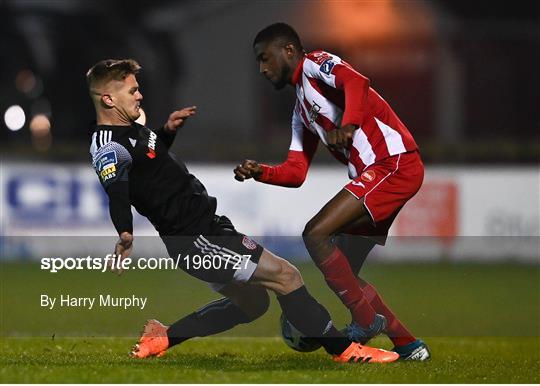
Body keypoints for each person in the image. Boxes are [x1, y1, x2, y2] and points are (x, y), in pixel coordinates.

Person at [86, 58, 399, 363]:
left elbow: (151, 162)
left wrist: (167, 131)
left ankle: (164, 336)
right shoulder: (107, 145)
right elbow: (117, 191)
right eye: (132, 91)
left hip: (206, 229)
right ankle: (347, 352)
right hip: (196, 238)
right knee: (286, 276)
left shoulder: (132, 130)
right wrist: (124, 232)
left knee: (253, 304)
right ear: (109, 99)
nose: (139, 94)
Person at [234, 23, 430, 361]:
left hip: (393, 164)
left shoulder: (315, 62)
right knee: (345, 271)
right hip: (379, 173)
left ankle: (366, 320)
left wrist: (349, 125)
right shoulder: (301, 112)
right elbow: (296, 172)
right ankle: (407, 344)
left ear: (289, 51)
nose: (262, 70)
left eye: (265, 59)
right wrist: (260, 172)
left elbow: (356, 81)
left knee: (315, 233)